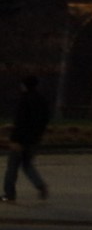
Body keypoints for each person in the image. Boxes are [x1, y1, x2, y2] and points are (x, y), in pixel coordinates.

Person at [5, 75, 51, 203]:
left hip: (21, 139)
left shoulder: (24, 100)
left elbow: (21, 122)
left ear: (24, 85)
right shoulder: (42, 100)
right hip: (34, 139)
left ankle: (9, 194)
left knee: (12, 167)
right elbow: (43, 120)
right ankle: (40, 185)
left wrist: (15, 139)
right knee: (27, 164)